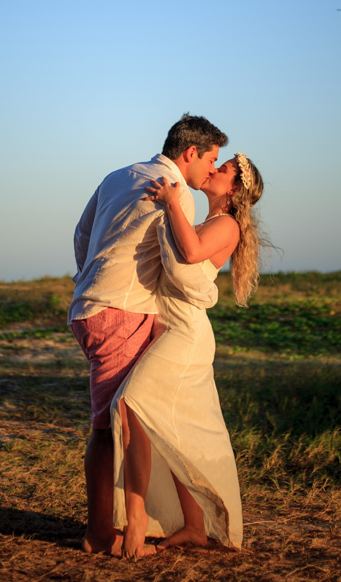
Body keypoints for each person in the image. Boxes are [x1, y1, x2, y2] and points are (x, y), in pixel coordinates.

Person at [69, 113, 228, 557]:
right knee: (112, 426)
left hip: (90, 307)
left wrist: (92, 278)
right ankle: (105, 533)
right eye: (211, 159)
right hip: (122, 311)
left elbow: (82, 234)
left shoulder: (117, 176)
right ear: (190, 153)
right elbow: (178, 263)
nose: (211, 170)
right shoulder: (176, 193)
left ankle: (147, 521)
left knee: (126, 419)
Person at [109, 151, 265, 559]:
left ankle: (137, 523)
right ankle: (194, 527)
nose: (214, 168)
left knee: (130, 403)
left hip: (187, 336)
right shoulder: (207, 219)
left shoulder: (227, 225)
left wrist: (171, 203)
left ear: (233, 190)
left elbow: (192, 253)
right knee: (171, 427)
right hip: (170, 329)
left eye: (224, 168)